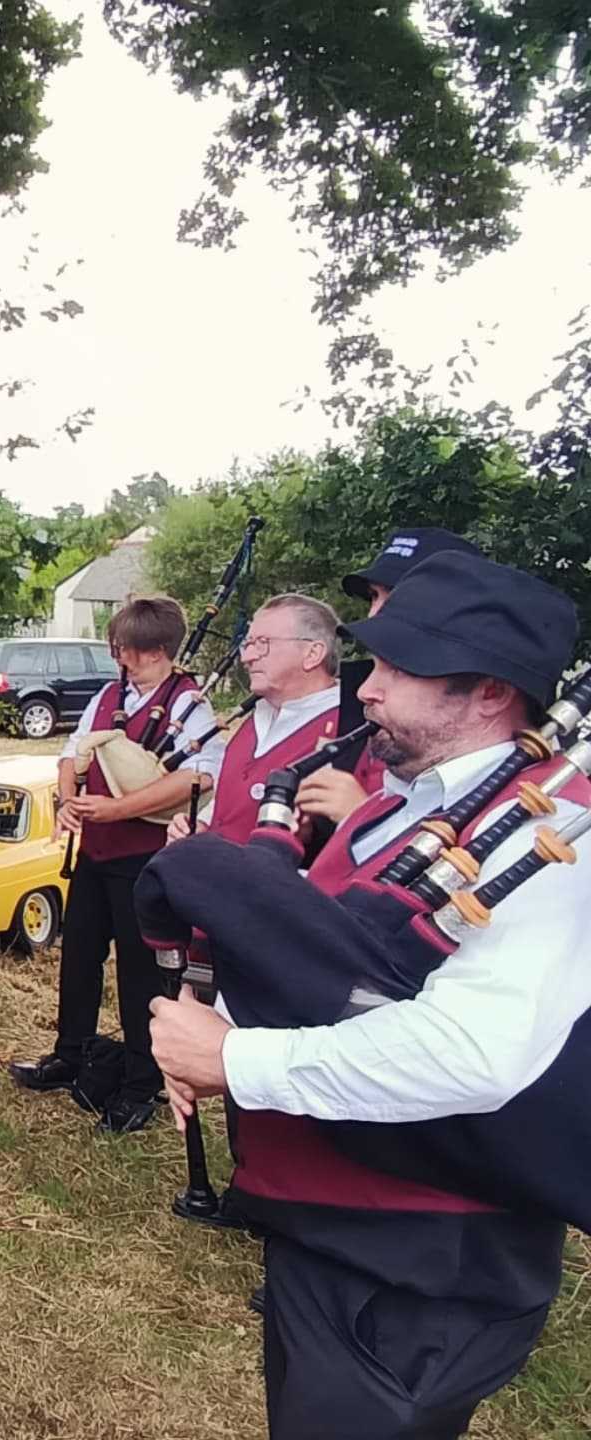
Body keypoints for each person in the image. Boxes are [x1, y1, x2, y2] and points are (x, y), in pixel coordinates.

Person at [149, 551, 591, 1439]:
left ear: (491, 693)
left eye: (398, 667)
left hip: (421, 1272)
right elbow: (339, 970)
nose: (368, 689)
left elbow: (471, 1056)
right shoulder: (399, 809)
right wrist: (222, 1026)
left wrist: (238, 1058)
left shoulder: (554, 842)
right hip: (331, 1228)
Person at [8, 596, 224, 1131]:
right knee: (78, 958)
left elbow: (198, 776)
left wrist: (116, 808)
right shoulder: (111, 694)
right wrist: (67, 802)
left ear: (153, 651)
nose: (118, 657)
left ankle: (140, 1083)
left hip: (146, 861)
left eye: (124, 649)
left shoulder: (189, 705)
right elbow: (73, 752)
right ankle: (71, 1053)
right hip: (95, 853)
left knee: (138, 975)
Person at [297, 527, 484, 830]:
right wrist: (311, 828)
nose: (376, 613)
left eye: (400, 596)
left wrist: (363, 817)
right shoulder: (357, 688)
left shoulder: (469, 706)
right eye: (373, 596)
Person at [166, 592, 379, 848]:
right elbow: (225, 803)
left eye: (263, 643)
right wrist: (200, 824)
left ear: (313, 653)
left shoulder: (356, 730)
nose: (247, 657)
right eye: (249, 643)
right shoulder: (257, 716)